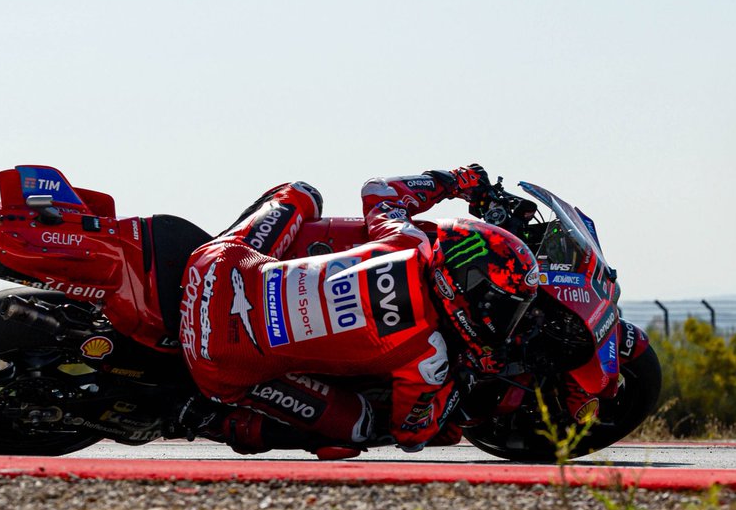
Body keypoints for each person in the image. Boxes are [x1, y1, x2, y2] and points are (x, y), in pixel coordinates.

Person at [177, 166, 539, 455]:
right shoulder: (429, 354)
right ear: (465, 289)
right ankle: (214, 420)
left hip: (213, 268)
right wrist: (465, 377)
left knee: (302, 194)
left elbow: (379, 191)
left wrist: (456, 182)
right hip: (216, 360)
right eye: (505, 306)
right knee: (361, 426)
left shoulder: (406, 240)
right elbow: (412, 434)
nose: (507, 318)